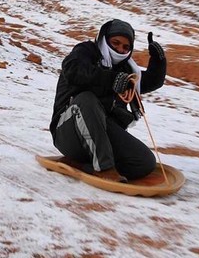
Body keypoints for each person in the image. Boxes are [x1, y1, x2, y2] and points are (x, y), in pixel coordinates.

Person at [50, 19, 167, 182]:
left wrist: (158, 61)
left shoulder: (126, 69)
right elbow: (74, 70)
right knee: (86, 100)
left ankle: (82, 165)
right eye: (116, 43)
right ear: (104, 38)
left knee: (144, 162)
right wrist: (112, 80)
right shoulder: (86, 52)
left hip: (102, 133)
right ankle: (104, 168)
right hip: (68, 132)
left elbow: (147, 82)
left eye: (126, 47)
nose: (120, 49)